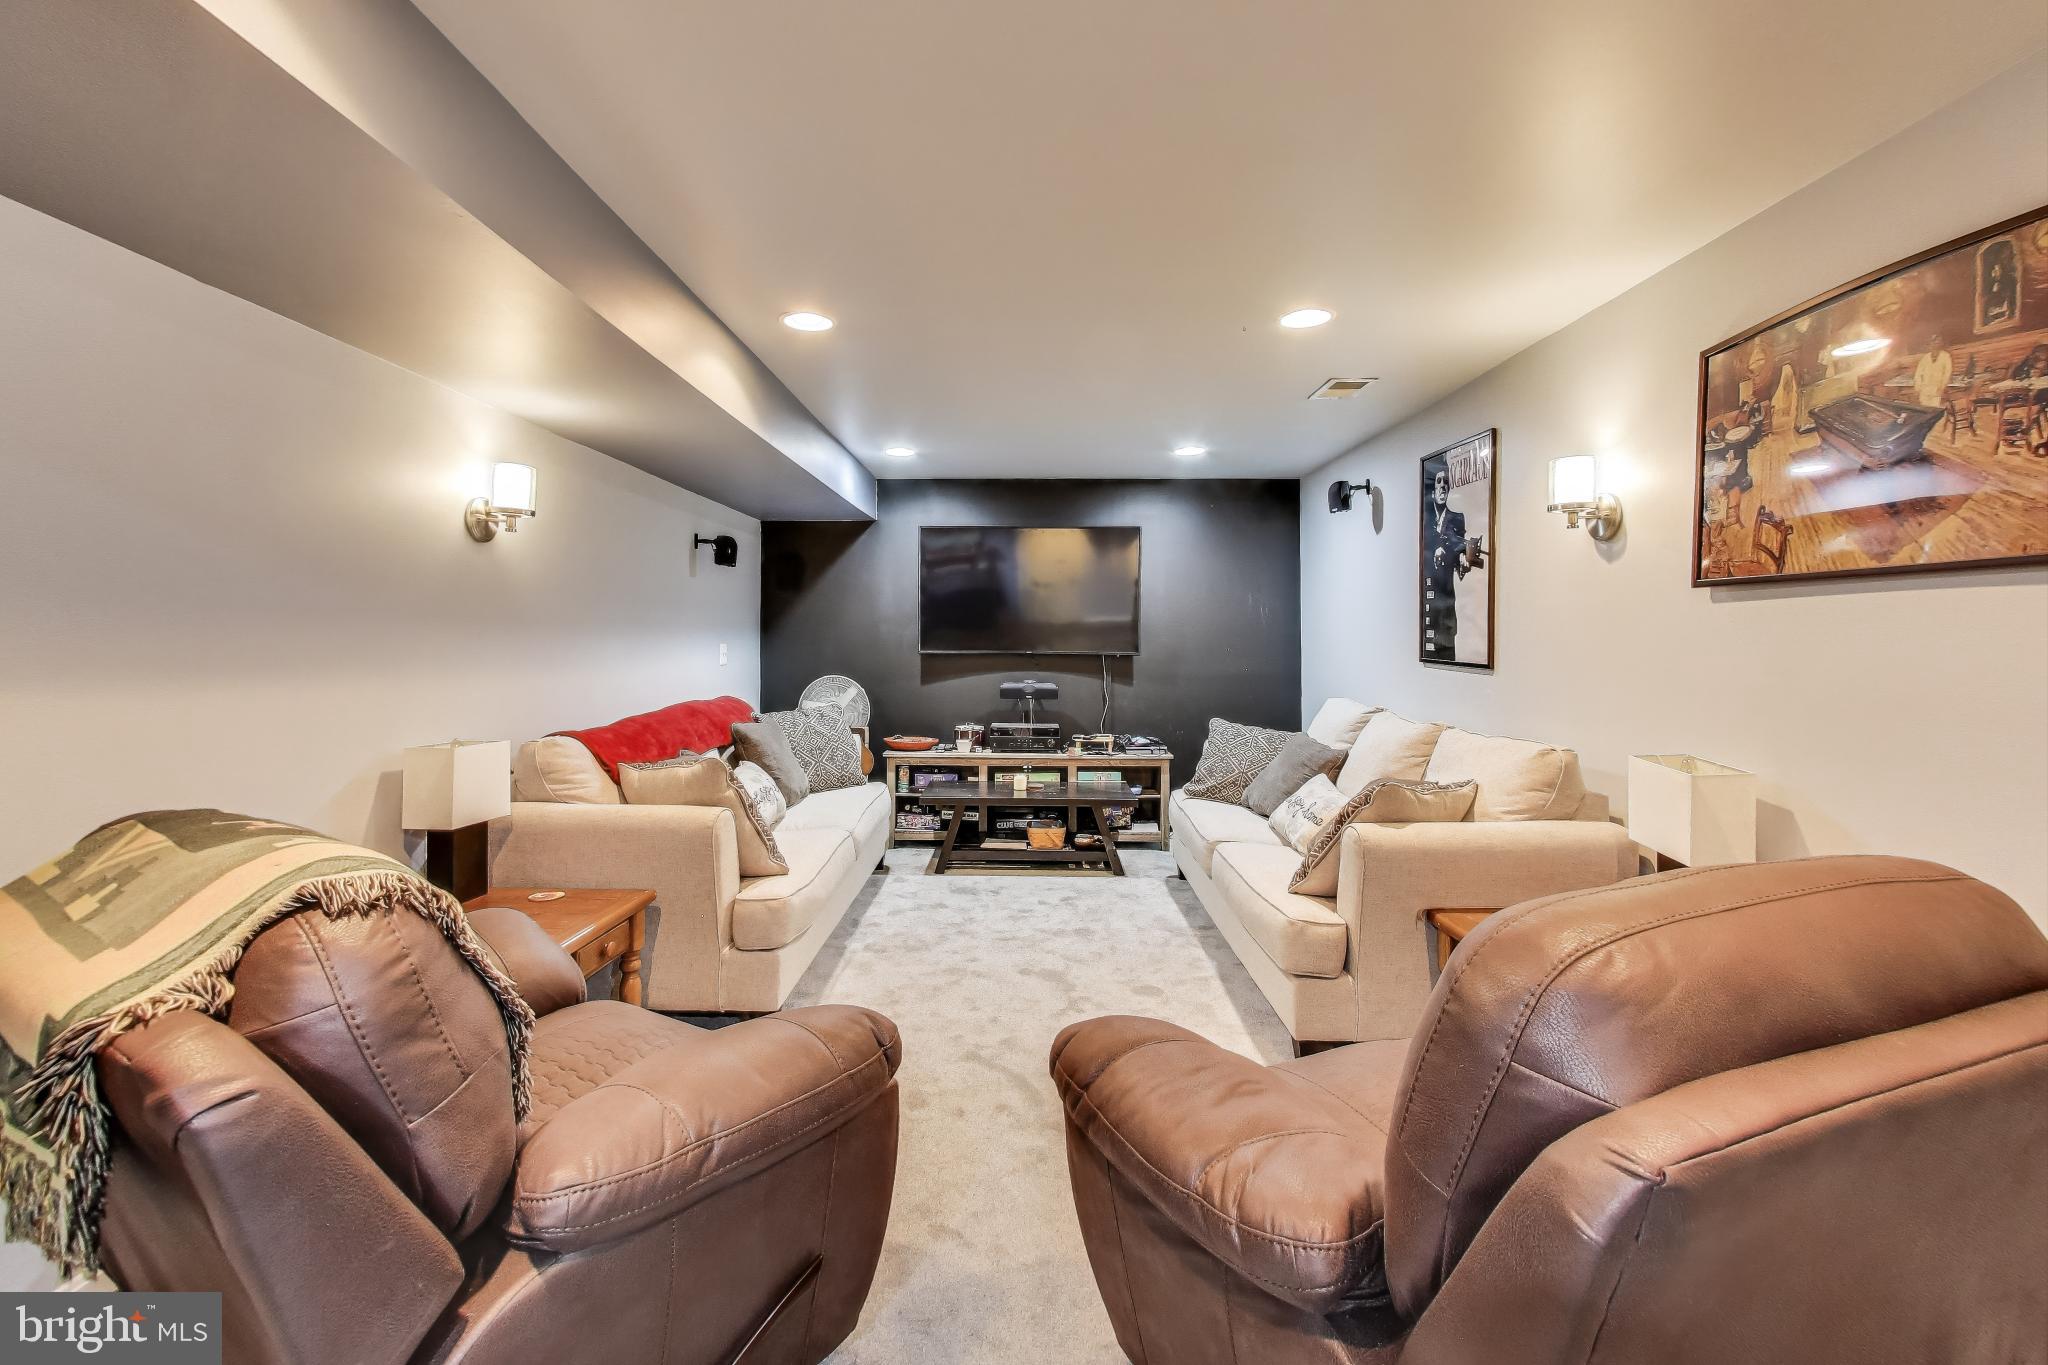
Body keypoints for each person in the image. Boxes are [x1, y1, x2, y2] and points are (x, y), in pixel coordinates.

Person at [1423, 468, 1466, 662]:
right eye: (1439, 482)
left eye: (1446, 483)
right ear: (1433, 490)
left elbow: (1459, 548)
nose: (1443, 486)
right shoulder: (1424, 522)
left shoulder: (1457, 518)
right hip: (1427, 602)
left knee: (1447, 652)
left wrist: (1461, 557)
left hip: (1446, 602)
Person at [1913, 333, 1953, 410]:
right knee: (1925, 411)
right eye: (1933, 342)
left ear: (1941, 344)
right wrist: (1918, 388)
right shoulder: (1925, 358)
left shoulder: (1946, 356)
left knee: (1936, 411)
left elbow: (1947, 373)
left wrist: (1942, 387)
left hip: (1937, 390)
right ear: (1930, 344)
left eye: (1938, 342)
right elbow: (1918, 374)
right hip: (1925, 391)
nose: (1935, 345)